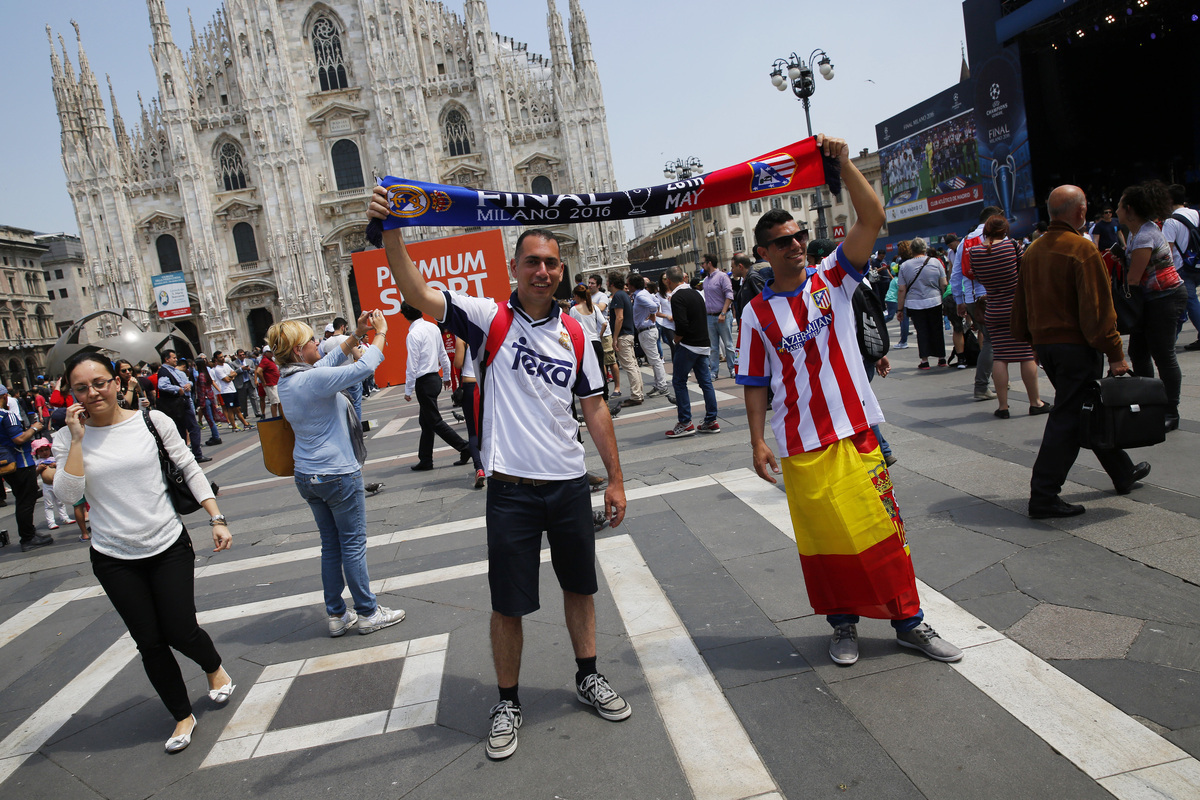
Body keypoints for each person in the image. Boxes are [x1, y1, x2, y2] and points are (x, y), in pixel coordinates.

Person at [369, 188, 630, 761]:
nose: (542, 271)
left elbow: (595, 408)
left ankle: (587, 675)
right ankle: (508, 700)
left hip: (566, 483)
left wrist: (613, 476)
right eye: (532, 262)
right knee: (508, 604)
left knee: (580, 588)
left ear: (563, 271)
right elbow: (415, 292)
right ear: (514, 267)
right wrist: (391, 231)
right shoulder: (490, 318)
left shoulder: (579, 333)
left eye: (551, 263)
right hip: (510, 487)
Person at [737, 134, 962, 667]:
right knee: (825, 545)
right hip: (800, 445)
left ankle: (910, 622)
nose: (795, 245)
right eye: (783, 242)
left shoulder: (834, 277)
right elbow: (754, 383)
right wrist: (756, 441)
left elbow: (873, 215)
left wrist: (838, 160)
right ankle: (843, 627)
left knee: (886, 536)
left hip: (856, 431)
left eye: (798, 236)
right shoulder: (755, 315)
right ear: (763, 254)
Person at [52, 352, 234, 753]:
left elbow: (188, 466)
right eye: (81, 387)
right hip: (113, 555)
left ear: (117, 383)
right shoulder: (67, 436)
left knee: (179, 629)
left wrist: (216, 517)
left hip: (167, 542)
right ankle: (181, 715)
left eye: (100, 383)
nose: (93, 392)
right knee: (149, 641)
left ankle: (214, 668)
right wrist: (78, 441)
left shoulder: (152, 422)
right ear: (71, 392)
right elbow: (68, 497)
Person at [1012, 185, 1151, 518]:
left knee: (1085, 407)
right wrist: (1115, 351)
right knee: (1070, 418)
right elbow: (1098, 309)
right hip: (1077, 346)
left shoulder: (1032, 251)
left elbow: (1021, 307)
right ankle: (1044, 494)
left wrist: (1031, 341)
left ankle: (1121, 470)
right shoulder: (1081, 249)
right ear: (1080, 212)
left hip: (1047, 346)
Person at [268, 311, 406, 638]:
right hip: (336, 473)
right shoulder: (311, 379)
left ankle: (336, 614)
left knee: (330, 546)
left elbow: (329, 359)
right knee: (353, 544)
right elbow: (365, 368)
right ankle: (369, 612)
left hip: (307, 474)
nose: (318, 341)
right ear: (299, 351)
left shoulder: (289, 379)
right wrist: (381, 334)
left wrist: (357, 335)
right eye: (311, 340)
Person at [1118, 180, 1188, 432]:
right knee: (1138, 352)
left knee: (1164, 355)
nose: (1115, 210)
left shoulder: (1146, 235)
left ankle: (1171, 410)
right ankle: (1149, 403)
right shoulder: (1138, 232)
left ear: (1129, 209)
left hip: (1165, 299)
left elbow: (1134, 279)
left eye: (1119, 205)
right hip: (1150, 301)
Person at [967, 217, 1049, 419]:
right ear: (1004, 230)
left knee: (1000, 356)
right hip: (1016, 307)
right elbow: (1024, 270)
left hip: (993, 308)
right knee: (1026, 354)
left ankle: (1003, 406)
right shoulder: (1012, 246)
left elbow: (975, 275)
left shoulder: (974, 252)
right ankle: (1035, 402)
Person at [400, 302, 470, 470]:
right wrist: (446, 376)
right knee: (426, 421)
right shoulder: (432, 327)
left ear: (405, 315)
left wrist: (408, 389)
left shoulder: (413, 334)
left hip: (424, 382)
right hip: (434, 379)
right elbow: (443, 353)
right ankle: (425, 459)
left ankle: (464, 447)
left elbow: (412, 364)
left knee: (435, 421)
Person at [952, 206, 1002, 400]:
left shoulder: (966, 240)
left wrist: (959, 300)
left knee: (991, 340)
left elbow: (956, 273)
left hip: (972, 297)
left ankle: (999, 380)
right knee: (993, 341)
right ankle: (982, 386)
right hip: (992, 296)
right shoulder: (996, 237)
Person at [665, 265, 720, 437]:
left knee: (679, 382)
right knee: (705, 382)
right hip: (703, 343)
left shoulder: (677, 297)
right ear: (684, 277)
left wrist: (676, 338)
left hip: (688, 345)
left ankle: (685, 422)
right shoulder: (696, 293)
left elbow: (682, 324)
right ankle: (711, 420)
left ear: (668, 281)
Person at [0, 385, 53, 552]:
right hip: (20, 462)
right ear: (4, 397)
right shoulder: (7, 416)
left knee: (22, 499)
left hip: (6, 464)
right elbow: (19, 438)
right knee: (26, 500)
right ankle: (28, 538)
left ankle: (29, 533)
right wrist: (35, 428)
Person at [896, 238, 948, 369]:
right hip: (934, 300)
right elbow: (944, 284)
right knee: (937, 329)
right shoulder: (936, 262)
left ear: (911, 250)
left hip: (915, 303)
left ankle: (924, 360)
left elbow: (902, 289)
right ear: (925, 249)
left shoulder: (905, 266)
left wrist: (900, 309)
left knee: (921, 331)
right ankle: (942, 358)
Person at [1163, 184, 1200, 351]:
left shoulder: (1170, 222)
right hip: (1197, 263)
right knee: (1190, 302)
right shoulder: (1195, 213)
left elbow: (1166, 250)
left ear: (1169, 200)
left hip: (1182, 267)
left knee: (1190, 301)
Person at [157, 350, 211, 464]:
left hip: (182, 402)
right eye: (174, 358)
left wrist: (188, 385)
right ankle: (196, 454)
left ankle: (188, 454)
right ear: (167, 359)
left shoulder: (173, 370)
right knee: (192, 427)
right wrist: (178, 389)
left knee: (183, 429)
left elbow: (186, 382)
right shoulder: (163, 371)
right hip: (177, 404)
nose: (176, 360)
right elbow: (162, 385)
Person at [629, 274, 670, 397]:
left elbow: (653, 305)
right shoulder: (644, 293)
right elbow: (656, 301)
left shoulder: (640, 296)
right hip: (648, 329)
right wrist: (653, 313)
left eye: (628, 284)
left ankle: (662, 386)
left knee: (655, 360)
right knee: (654, 359)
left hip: (646, 330)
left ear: (632, 285)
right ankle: (659, 385)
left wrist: (653, 313)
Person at [607, 272, 643, 405]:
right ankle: (638, 393)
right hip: (629, 333)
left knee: (629, 366)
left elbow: (619, 317)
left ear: (611, 283)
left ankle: (636, 396)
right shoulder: (625, 295)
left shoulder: (617, 296)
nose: (606, 284)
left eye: (607, 281)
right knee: (633, 364)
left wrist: (614, 337)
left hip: (623, 335)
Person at [570, 283, 609, 401]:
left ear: (577, 296)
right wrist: (599, 335)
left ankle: (592, 395)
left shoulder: (573, 310)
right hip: (596, 342)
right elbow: (604, 323)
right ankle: (605, 395)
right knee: (601, 369)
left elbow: (572, 328)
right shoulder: (593, 307)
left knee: (587, 370)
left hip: (584, 344)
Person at [701, 253, 736, 378]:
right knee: (713, 346)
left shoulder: (722, 277)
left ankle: (733, 369)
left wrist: (723, 312)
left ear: (709, 263)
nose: (702, 265)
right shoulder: (706, 280)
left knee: (728, 344)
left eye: (703, 263)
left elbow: (729, 295)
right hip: (710, 316)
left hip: (723, 315)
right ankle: (714, 371)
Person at [32, 437, 71, 532]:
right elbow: (34, 474)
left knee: (60, 502)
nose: (44, 452)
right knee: (49, 505)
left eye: (46, 449)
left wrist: (56, 465)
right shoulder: (38, 462)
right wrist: (39, 469)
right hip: (47, 486)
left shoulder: (54, 459)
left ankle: (64, 517)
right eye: (41, 451)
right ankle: (51, 522)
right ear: (37, 453)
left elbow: (63, 468)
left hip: (57, 483)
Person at [209, 353, 250, 432]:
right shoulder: (217, 369)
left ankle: (245, 423)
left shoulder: (227, 365)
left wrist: (230, 376)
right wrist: (231, 376)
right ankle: (234, 426)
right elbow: (226, 379)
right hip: (226, 391)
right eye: (220, 357)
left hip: (232, 389)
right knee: (230, 409)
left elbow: (234, 373)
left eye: (223, 356)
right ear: (216, 359)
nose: (222, 358)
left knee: (237, 408)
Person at [230, 349, 262, 420]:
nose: (242, 356)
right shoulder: (233, 363)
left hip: (250, 381)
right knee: (242, 399)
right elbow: (233, 373)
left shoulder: (249, 361)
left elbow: (255, 370)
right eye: (240, 355)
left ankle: (257, 412)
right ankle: (244, 413)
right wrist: (241, 369)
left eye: (243, 354)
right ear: (237, 356)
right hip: (241, 383)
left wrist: (249, 369)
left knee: (254, 397)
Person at [256, 346, 281, 417]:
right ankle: (275, 418)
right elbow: (258, 371)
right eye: (270, 352)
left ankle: (280, 417)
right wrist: (263, 382)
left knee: (278, 402)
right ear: (265, 353)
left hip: (274, 383)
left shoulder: (270, 360)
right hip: (271, 384)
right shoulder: (265, 360)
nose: (272, 353)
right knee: (274, 402)